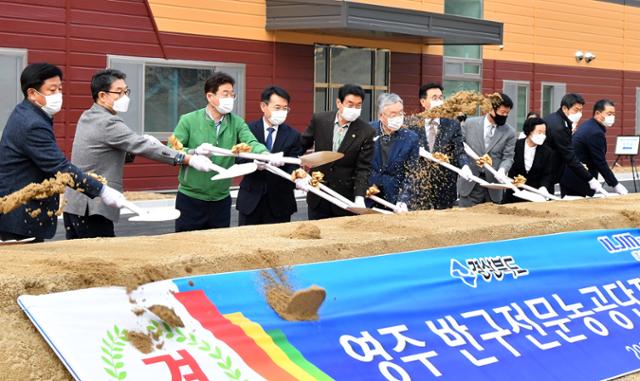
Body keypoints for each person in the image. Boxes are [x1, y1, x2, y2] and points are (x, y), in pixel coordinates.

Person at [63, 69, 218, 239]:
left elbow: (107, 150)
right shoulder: (107, 121)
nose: (125, 97)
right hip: (92, 207)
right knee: (99, 259)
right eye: (119, 92)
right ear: (102, 95)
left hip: (74, 204)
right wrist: (186, 158)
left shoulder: (88, 115)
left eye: (126, 91)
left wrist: (142, 145)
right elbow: (142, 146)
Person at [0, 63, 127, 242]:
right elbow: (60, 167)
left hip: (20, 213)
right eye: (52, 90)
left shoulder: (28, 113)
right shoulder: (32, 124)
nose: (58, 94)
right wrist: (102, 191)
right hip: (19, 217)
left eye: (60, 88)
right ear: (32, 93)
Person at [170, 72, 275, 232]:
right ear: (210, 96)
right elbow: (173, 149)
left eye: (232, 95)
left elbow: (251, 142)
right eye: (225, 94)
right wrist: (194, 152)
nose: (230, 99)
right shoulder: (188, 120)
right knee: (187, 246)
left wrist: (264, 154)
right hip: (190, 197)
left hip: (221, 198)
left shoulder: (237, 122)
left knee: (218, 248)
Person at [300, 84, 375, 219]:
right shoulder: (320, 120)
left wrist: (359, 197)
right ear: (339, 103)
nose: (354, 109)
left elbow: (363, 168)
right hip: (318, 193)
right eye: (350, 104)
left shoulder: (366, 131)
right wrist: (298, 172)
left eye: (358, 106)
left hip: (344, 197)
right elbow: (301, 146)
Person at [236, 86, 303, 225]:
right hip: (251, 201)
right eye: (277, 107)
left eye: (285, 108)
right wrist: (254, 163)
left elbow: (293, 164)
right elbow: (238, 157)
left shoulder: (293, 135)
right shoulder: (247, 130)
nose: (282, 112)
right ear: (263, 106)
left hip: (280, 202)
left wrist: (297, 176)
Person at [406, 83, 472, 209]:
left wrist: (465, 165)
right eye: (434, 98)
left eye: (441, 98)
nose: (439, 101)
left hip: (445, 186)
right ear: (423, 102)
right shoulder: (411, 123)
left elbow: (459, 150)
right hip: (418, 186)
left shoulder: (452, 124)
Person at [560, 99, 628, 197]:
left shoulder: (589, 125)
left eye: (613, 114)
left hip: (570, 177)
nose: (612, 117)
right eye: (609, 113)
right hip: (577, 180)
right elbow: (600, 162)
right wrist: (615, 184)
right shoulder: (595, 132)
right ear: (597, 113)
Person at [458, 93, 516, 207]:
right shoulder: (469, 124)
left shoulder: (509, 132)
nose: (504, 116)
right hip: (470, 184)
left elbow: (508, 157)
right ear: (491, 110)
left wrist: (502, 170)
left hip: (493, 186)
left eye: (507, 113)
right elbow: (460, 148)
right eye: (502, 112)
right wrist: (463, 165)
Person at [544, 93, 606, 196]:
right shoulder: (559, 127)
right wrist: (590, 179)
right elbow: (569, 156)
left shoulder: (557, 119)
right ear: (565, 108)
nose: (579, 114)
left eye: (581, 110)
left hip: (547, 171)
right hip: (544, 172)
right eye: (576, 110)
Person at [368, 93, 419, 211]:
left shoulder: (411, 138)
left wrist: (404, 199)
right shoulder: (367, 131)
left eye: (400, 113)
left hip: (394, 199)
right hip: (368, 196)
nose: (398, 117)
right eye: (393, 114)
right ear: (381, 116)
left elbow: (412, 172)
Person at [502, 117, 555, 204]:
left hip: (534, 195)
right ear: (530, 132)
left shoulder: (547, 152)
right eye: (539, 132)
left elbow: (547, 174)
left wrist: (543, 187)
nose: (542, 135)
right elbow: (508, 163)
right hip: (514, 194)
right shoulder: (516, 145)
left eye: (544, 133)